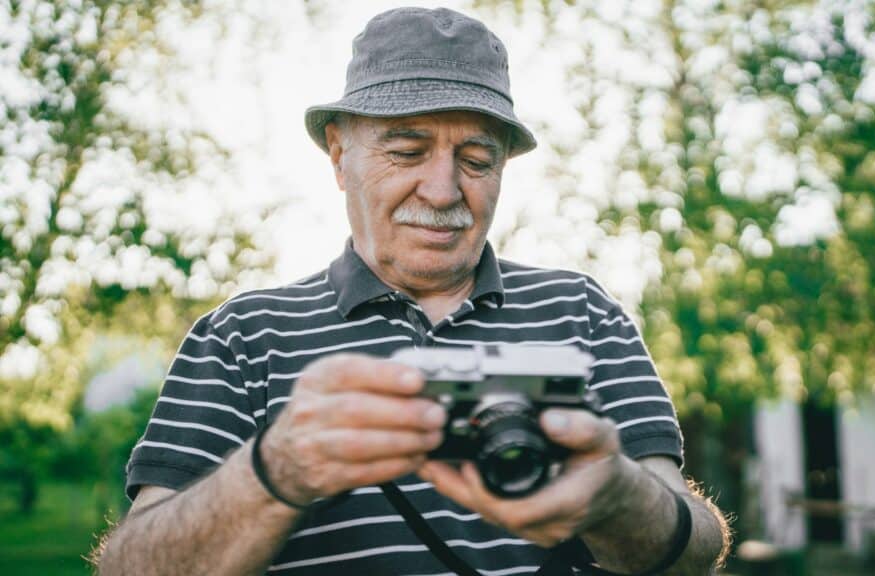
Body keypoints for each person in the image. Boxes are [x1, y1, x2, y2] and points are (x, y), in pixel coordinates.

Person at [97, 7, 728, 575]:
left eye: (477, 160)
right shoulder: (242, 336)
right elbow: (129, 568)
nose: (443, 190)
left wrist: (619, 498)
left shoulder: (582, 311)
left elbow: (695, 548)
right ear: (340, 155)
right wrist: (273, 472)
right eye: (406, 150)